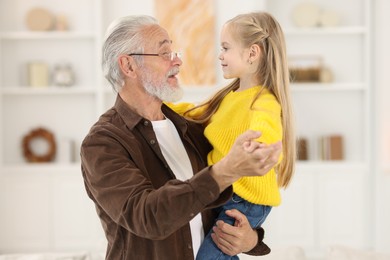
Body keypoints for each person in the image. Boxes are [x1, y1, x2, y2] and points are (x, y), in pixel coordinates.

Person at [80, 15, 283, 260]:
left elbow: (220, 210)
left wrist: (251, 240)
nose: (176, 61)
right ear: (128, 66)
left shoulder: (190, 128)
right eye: (164, 53)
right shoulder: (103, 143)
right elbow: (147, 216)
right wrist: (223, 172)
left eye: (174, 52)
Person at [169, 11, 296, 260]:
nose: (220, 55)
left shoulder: (264, 101)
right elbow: (194, 111)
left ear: (252, 53)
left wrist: (260, 146)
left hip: (244, 200)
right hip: (226, 193)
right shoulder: (230, 96)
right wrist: (156, 106)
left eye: (226, 47)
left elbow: (267, 130)